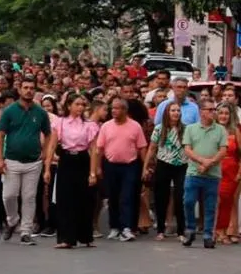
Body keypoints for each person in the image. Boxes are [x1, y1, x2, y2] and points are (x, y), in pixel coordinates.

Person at [0, 77, 51, 246]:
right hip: (11, 160)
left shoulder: (40, 112)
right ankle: (12, 220)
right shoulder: (10, 111)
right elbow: (0, 136)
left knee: (29, 197)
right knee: (9, 195)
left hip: (33, 162)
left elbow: (48, 134)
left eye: (31, 88)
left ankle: (26, 231)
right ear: (20, 89)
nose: (28, 90)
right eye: (25, 87)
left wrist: (45, 152)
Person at [44, 93, 99, 249]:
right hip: (66, 160)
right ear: (69, 106)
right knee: (65, 200)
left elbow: (94, 149)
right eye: (77, 104)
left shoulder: (89, 125)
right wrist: (47, 168)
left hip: (83, 160)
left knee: (85, 199)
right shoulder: (60, 123)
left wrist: (92, 172)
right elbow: (52, 146)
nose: (80, 107)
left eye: (82, 105)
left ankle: (86, 236)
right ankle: (66, 238)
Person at [97, 98, 148, 242]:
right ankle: (114, 227)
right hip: (110, 165)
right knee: (113, 197)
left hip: (130, 166)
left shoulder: (135, 126)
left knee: (127, 196)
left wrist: (145, 167)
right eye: (112, 108)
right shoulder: (106, 126)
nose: (114, 111)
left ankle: (126, 228)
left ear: (125, 110)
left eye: (117, 108)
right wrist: (98, 167)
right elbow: (99, 148)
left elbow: (142, 147)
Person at [181, 98, 228, 248]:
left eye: (214, 110)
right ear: (201, 112)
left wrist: (209, 163)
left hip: (212, 175)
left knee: (210, 206)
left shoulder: (220, 129)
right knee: (188, 201)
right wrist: (202, 161)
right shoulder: (191, 128)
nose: (214, 113)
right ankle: (190, 229)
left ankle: (208, 234)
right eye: (211, 110)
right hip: (194, 172)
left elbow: (223, 150)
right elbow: (187, 149)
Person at [144, 101, 187, 242]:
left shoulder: (185, 129)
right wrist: (145, 167)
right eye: (173, 110)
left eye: (178, 111)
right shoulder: (159, 129)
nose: (176, 113)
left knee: (180, 197)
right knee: (161, 197)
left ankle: (181, 230)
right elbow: (152, 148)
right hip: (163, 164)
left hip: (181, 165)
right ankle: (161, 229)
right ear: (167, 113)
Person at [214, 102, 241, 244]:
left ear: (230, 116)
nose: (223, 116)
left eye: (226, 113)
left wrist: (240, 171)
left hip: (232, 170)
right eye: (221, 113)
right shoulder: (212, 130)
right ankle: (217, 230)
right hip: (215, 169)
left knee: (228, 201)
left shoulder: (235, 130)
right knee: (216, 200)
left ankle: (224, 230)